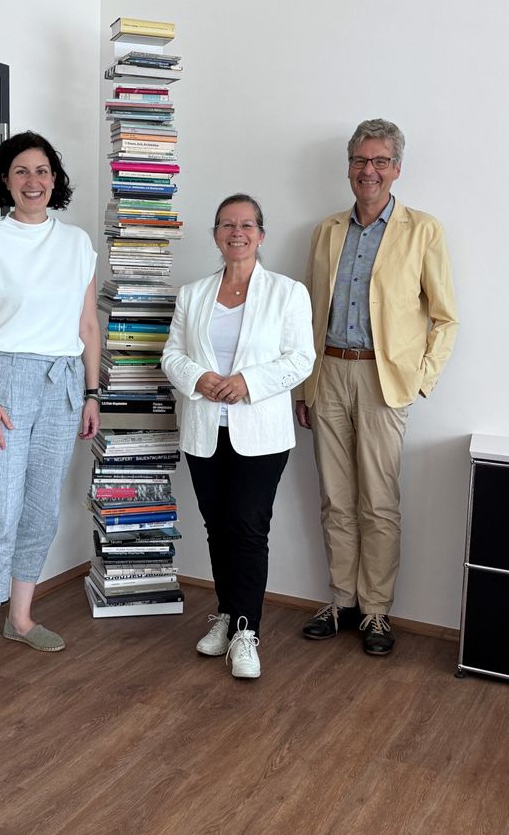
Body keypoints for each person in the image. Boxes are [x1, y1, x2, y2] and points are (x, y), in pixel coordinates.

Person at [296, 119, 458, 656]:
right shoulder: (325, 232)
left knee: (379, 503)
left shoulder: (422, 230)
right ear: (349, 167)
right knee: (335, 500)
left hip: (384, 379)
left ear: (396, 169)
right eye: (361, 161)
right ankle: (341, 601)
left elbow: (445, 317)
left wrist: (421, 378)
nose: (369, 171)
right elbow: (308, 315)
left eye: (380, 161)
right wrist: (304, 386)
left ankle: (376, 612)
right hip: (329, 374)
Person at [0, 131, 100, 686]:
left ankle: (21, 617)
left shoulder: (78, 243)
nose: (33, 181)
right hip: (5, 381)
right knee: (0, 511)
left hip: (63, 383)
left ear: (55, 180)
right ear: (5, 180)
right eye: (21, 171)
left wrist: (90, 393)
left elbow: (88, 326)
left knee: (41, 509)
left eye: (42, 171)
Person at [162, 194, 315, 679]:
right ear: (215, 235)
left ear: (260, 235)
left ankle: (246, 632)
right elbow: (171, 355)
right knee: (217, 527)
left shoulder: (287, 293)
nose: (237, 232)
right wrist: (199, 379)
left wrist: (247, 383)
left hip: (261, 435)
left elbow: (300, 359)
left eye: (246, 224)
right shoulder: (193, 294)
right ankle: (227, 616)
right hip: (206, 431)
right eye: (227, 224)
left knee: (248, 528)